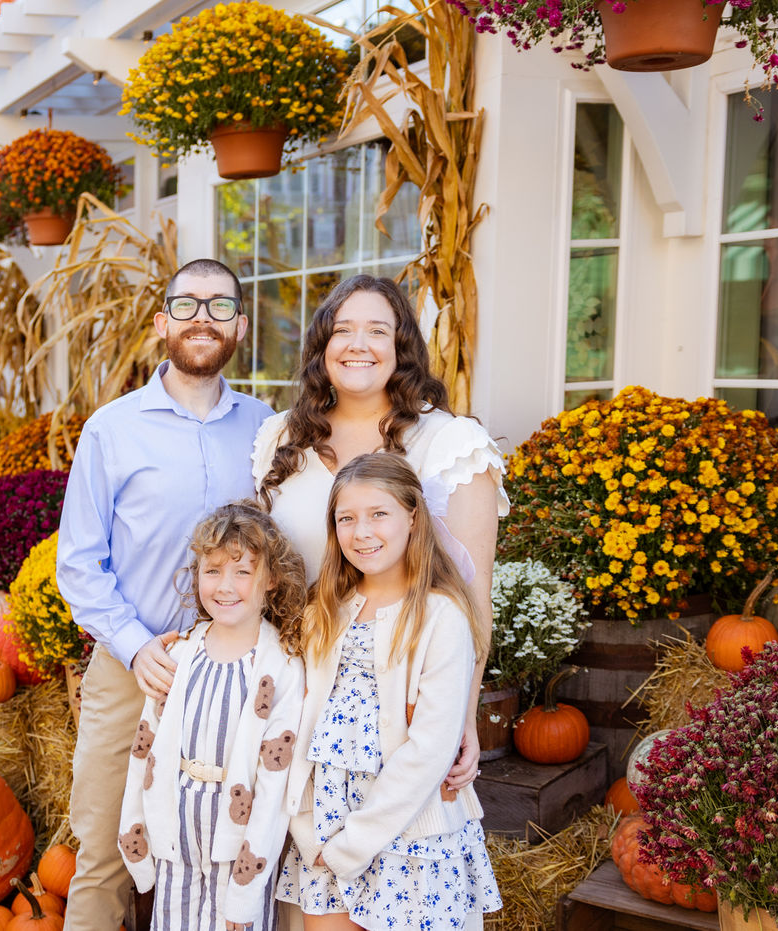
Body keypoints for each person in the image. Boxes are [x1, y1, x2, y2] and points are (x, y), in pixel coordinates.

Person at [58, 258, 274, 931]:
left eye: (219, 305)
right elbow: (79, 563)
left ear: (240, 325)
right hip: (135, 670)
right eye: (186, 305)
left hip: (240, 676)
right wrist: (134, 645)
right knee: (103, 852)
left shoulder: (268, 430)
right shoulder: (112, 429)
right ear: (162, 323)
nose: (202, 318)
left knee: (230, 853)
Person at [251, 274, 508, 791]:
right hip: (290, 691)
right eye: (342, 330)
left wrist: (462, 712)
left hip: (398, 698)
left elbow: (473, 595)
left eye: (377, 331)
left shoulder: (450, 443)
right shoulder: (280, 436)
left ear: (401, 346)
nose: (358, 344)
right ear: (322, 346)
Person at [275, 452, 501, 930]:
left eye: (379, 514)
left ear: (413, 517)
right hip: (327, 827)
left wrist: (354, 845)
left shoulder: (441, 616)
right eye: (347, 518)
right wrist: (307, 828)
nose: (362, 532)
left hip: (410, 831)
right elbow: (295, 723)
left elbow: (429, 750)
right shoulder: (323, 611)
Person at [118, 502, 307, 931]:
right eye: (213, 571)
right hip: (175, 839)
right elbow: (144, 750)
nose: (225, 586)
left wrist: (245, 894)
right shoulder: (178, 654)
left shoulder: (280, 668)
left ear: (272, 579)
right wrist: (135, 832)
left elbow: (273, 786)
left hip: (237, 848)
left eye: (243, 572)